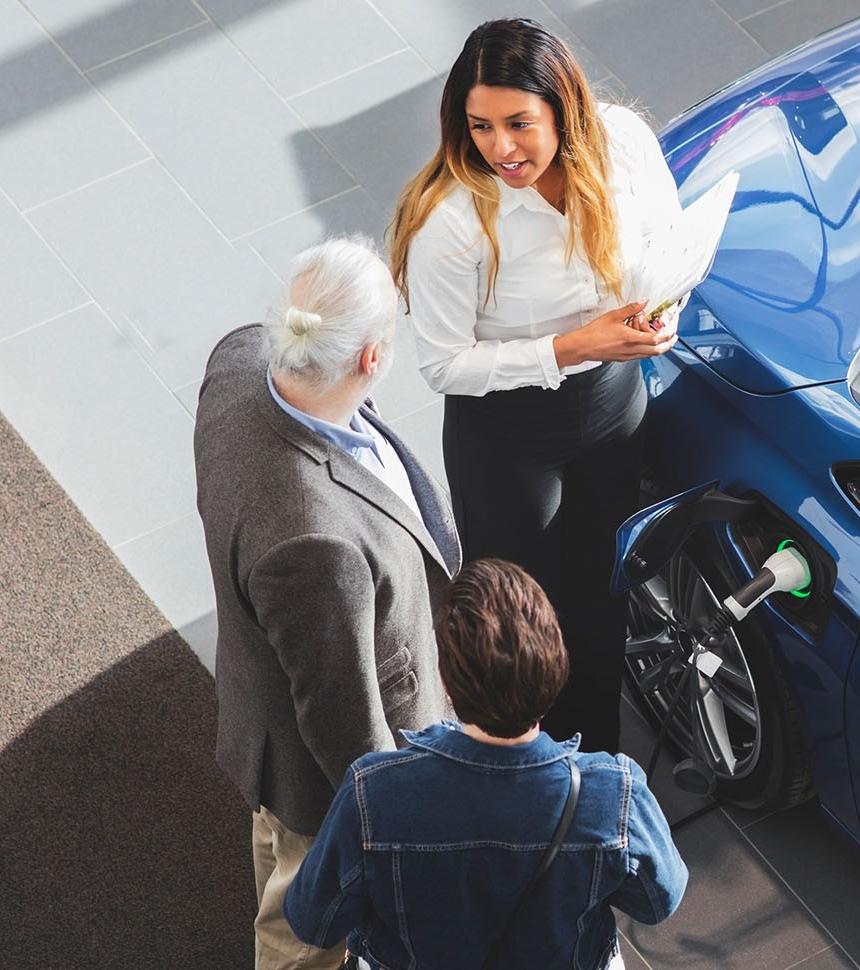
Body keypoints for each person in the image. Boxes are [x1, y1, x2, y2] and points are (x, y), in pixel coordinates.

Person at [390, 17, 683, 753]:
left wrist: (665, 307)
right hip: (507, 437)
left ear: (564, 109)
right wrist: (574, 344)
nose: (501, 148)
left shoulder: (622, 146)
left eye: (519, 123)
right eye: (480, 126)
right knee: (522, 623)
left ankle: (603, 761)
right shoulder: (453, 222)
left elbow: (668, 239)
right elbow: (444, 365)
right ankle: (530, 766)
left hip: (613, 403)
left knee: (601, 599)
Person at [194, 236, 462, 970]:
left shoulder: (238, 362)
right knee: (304, 925)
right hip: (319, 771)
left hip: (263, 700)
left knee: (275, 842)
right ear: (371, 359)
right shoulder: (316, 542)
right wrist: (394, 820)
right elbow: (340, 713)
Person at [284, 558, 688, 970]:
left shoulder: (372, 794)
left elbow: (311, 921)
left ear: (446, 681)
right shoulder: (615, 794)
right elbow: (659, 903)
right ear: (555, 664)